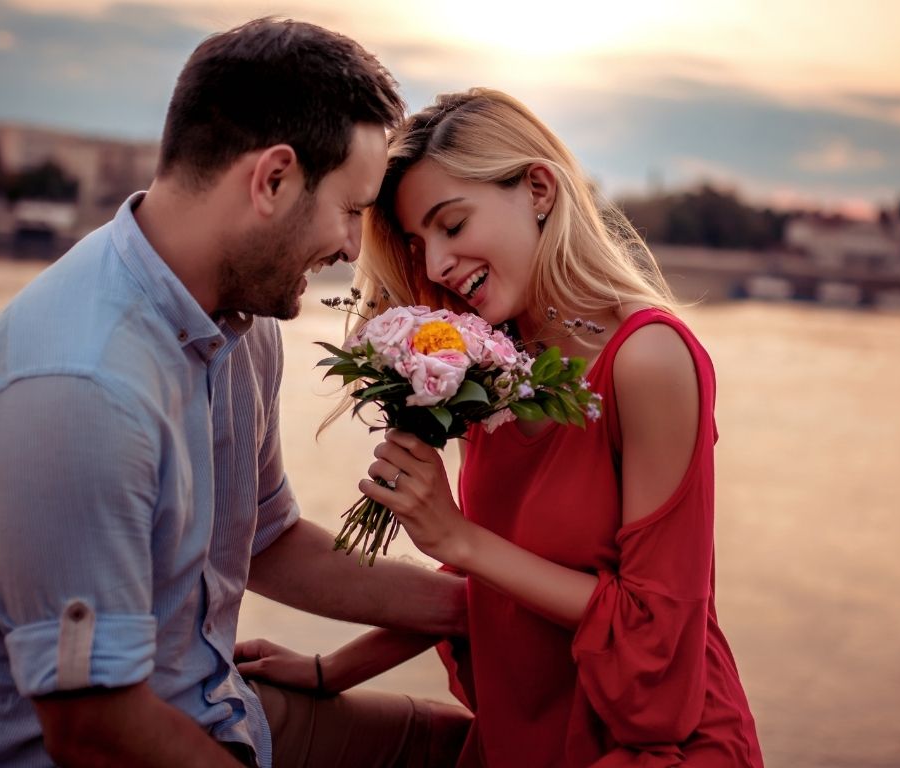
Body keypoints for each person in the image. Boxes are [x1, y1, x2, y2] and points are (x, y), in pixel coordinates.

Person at [0, 19, 471, 768]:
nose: (348, 246)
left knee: (480, 752)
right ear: (272, 180)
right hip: (89, 747)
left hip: (216, 709)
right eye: (350, 209)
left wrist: (479, 607)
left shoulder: (243, 318)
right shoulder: (79, 392)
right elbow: (94, 730)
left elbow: (264, 541)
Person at [237, 88, 764, 767]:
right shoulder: (494, 362)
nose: (434, 268)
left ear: (539, 188)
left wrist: (457, 534)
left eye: (451, 225)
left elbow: (654, 628)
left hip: (654, 748)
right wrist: (328, 671)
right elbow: (485, 592)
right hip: (523, 739)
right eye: (418, 242)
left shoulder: (650, 360)